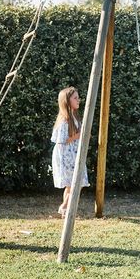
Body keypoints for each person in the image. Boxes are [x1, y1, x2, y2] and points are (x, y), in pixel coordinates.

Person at [51, 87, 89, 218]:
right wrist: (79, 135)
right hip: (66, 155)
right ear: (67, 101)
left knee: (72, 185)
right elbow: (61, 140)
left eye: (78, 97)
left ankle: (66, 209)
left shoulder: (73, 117)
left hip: (73, 153)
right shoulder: (64, 119)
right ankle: (65, 207)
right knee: (74, 183)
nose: (78, 100)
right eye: (75, 98)